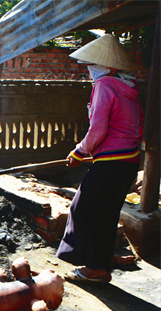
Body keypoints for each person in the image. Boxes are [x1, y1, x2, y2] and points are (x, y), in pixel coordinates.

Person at [56, 34, 143, 282]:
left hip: (112, 162)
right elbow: (137, 127)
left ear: (110, 67)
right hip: (129, 162)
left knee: (84, 209)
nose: (90, 70)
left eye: (94, 66)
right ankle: (100, 268)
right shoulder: (130, 88)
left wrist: (79, 152)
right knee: (105, 214)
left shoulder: (104, 86)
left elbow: (98, 129)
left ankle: (94, 268)